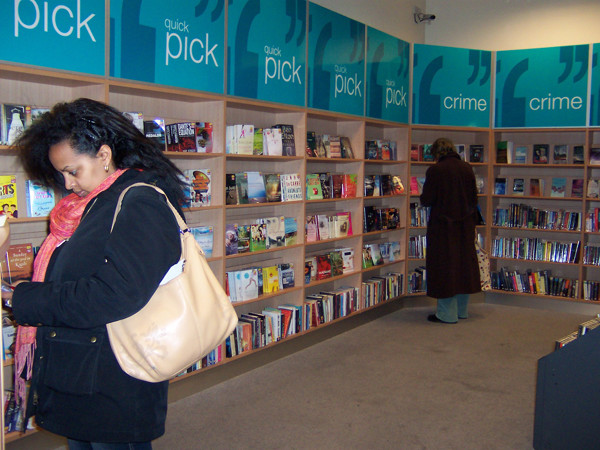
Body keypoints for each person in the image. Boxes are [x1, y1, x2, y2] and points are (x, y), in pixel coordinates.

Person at [1, 98, 188, 448]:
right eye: (61, 174)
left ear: (103, 155)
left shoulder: (138, 201)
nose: (68, 184)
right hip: (81, 368)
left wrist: (26, 298)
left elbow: (115, 294)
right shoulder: (87, 206)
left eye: (73, 171)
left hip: (114, 376)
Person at [420, 137, 480, 324]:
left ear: (437, 153)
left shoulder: (436, 170)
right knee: (463, 267)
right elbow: (474, 198)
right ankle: (462, 311)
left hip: (443, 227)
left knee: (444, 267)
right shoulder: (467, 168)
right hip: (465, 226)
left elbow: (427, 199)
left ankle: (446, 314)